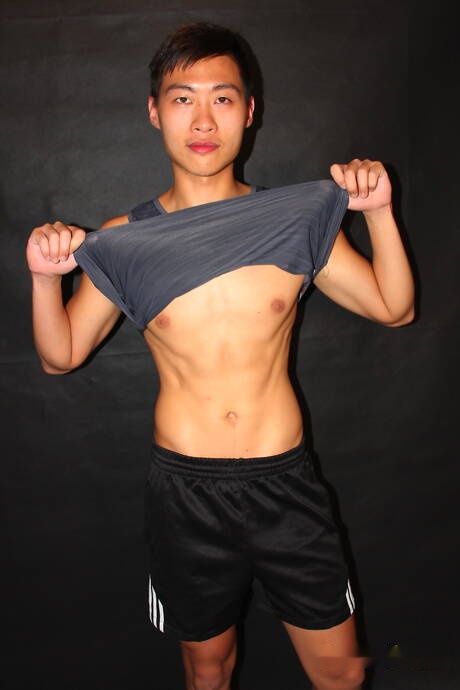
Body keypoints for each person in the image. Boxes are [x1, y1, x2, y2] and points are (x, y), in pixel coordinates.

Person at [26, 22, 414, 690]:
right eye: (183, 99)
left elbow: (393, 307)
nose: (203, 120)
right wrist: (42, 279)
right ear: (155, 112)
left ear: (249, 111)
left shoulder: (294, 220)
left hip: (285, 484)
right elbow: (61, 357)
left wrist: (378, 212)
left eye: (223, 98)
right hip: (186, 495)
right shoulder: (126, 240)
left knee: (340, 674)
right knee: (208, 670)